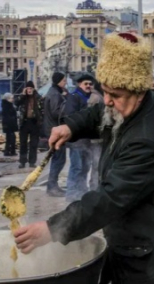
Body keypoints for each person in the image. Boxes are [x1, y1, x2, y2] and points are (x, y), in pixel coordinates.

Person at [14, 32, 154, 284]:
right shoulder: (128, 105)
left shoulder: (149, 138)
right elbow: (98, 113)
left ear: (140, 91)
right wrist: (71, 127)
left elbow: (109, 199)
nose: (107, 100)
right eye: (104, 90)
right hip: (132, 244)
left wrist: (52, 228)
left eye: (115, 95)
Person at [64, 73, 95, 202]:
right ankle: (71, 194)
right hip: (76, 140)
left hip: (86, 140)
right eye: (85, 84)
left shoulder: (91, 97)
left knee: (85, 167)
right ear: (79, 85)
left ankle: (82, 191)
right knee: (76, 167)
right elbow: (71, 116)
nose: (88, 86)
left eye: (90, 84)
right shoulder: (74, 97)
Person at [44, 72, 68, 197]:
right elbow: (56, 112)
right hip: (55, 130)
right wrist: (67, 106)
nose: (66, 83)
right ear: (58, 81)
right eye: (64, 80)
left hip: (53, 128)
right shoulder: (54, 94)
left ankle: (52, 185)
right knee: (59, 159)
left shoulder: (54, 92)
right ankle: (52, 186)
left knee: (58, 159)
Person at [15, 81, 44, 168]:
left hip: (34, 123)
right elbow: (16, 103)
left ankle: (32, 161)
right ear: (25, 89)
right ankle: (22, 161)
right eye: (28, 88)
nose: (29, 90)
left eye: (31, 88)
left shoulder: (37, 97)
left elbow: (42, 109)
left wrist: (41, 121)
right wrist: (23, 95)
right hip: (24, 122)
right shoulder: (23, 98)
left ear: (33, 89)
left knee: (33, 144)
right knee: (23, 143)